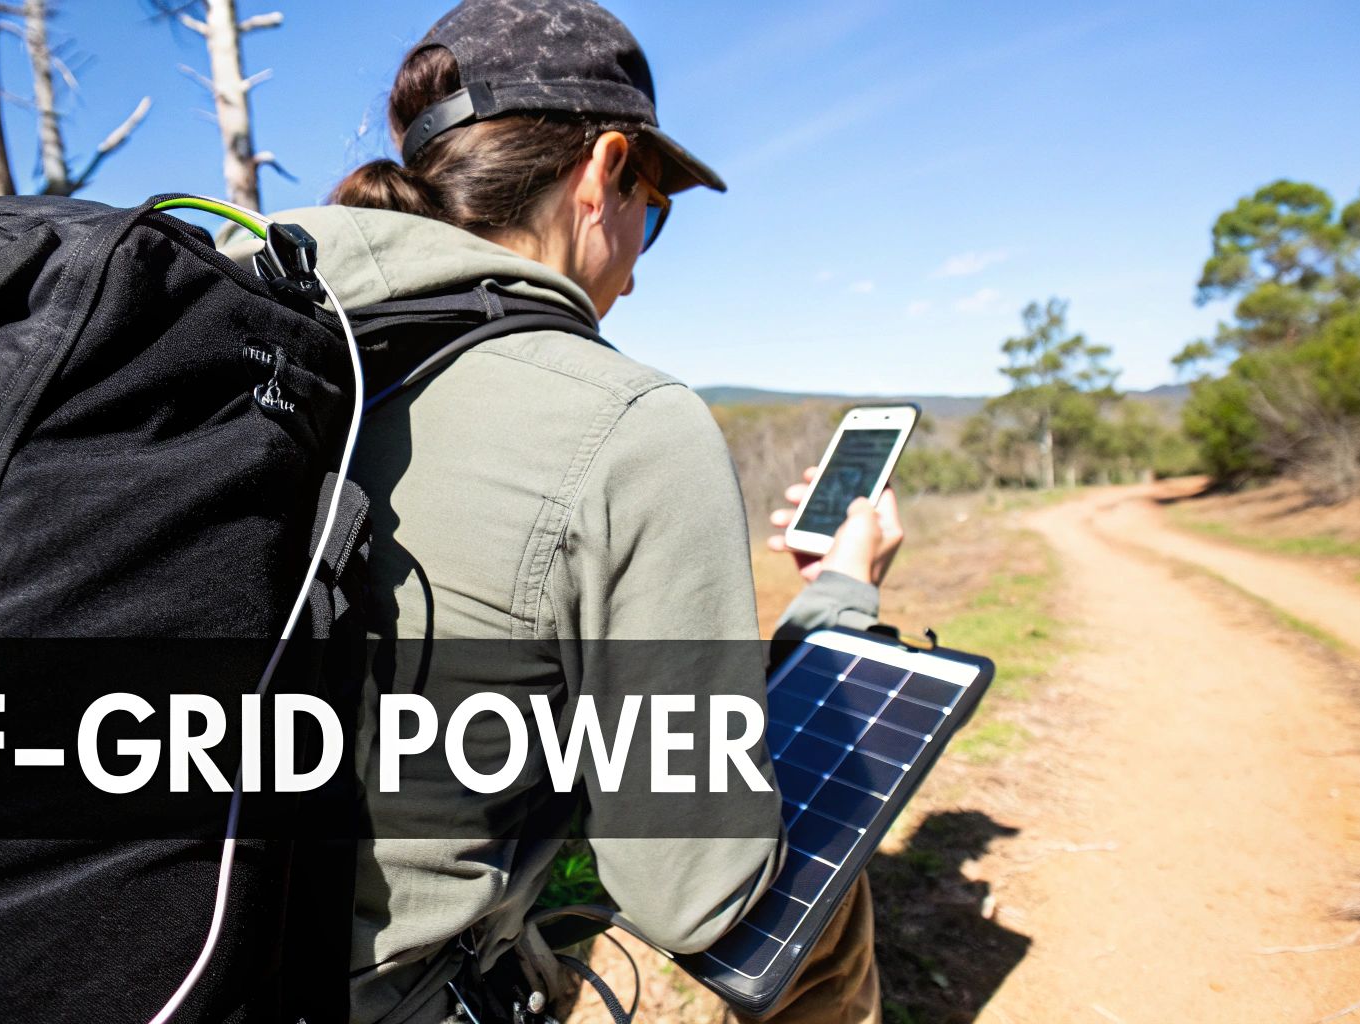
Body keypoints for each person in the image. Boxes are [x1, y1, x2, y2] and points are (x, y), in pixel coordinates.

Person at [223, 2, 904, 1020]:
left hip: (152, 967)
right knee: (817, 894)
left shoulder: (251, 349)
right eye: (652, 209)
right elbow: (694, 892)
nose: (634, 263)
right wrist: (837, 602)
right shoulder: (630, 426)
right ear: (604, 173)